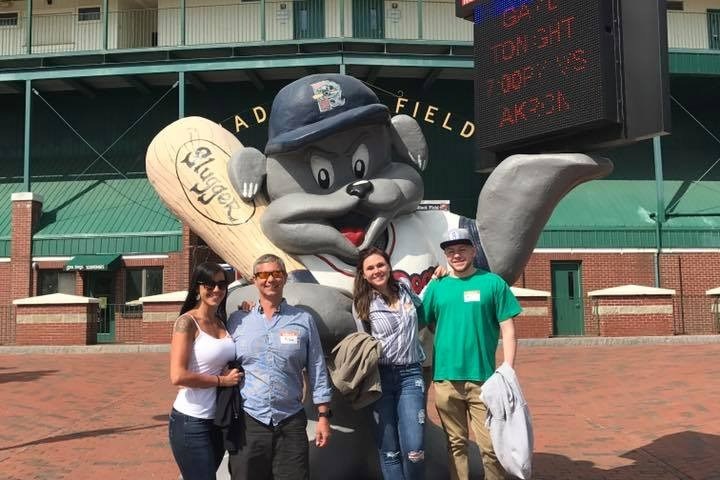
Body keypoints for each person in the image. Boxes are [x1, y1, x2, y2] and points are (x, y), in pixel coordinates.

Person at [422, 228, 522, 480]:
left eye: (462, 249)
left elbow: (508, 329)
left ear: (473, 251)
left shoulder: (493, 283)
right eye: (451, 251)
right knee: (456, 445)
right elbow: (426, 322)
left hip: (484, 380)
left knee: (490, 447)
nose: (457, 255)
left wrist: (508, 368)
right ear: (445, 255)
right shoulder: (438, 286)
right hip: (446, 379)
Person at [227, 253, 333, 480]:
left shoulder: (303, 320)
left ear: (284, 278)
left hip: (290, 422)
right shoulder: (238, 320)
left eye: (276, 273)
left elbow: (317, 368)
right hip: (249, 421)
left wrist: (323, 416)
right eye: (263, 274)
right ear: (254, 280)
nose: (270, 279)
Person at [352, 247, 427, 480]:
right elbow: (362, 343)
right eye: (370, 268)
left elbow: (423, 307)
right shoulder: (362, 304)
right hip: (379, 378)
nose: (377, 271)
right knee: (390, 450)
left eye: (380, 265)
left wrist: (436, 280)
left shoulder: (404, 288)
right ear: (363, 274)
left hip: (411, 375)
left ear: (389, 266)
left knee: (415, 448)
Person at [168, 261, 242, 480]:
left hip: (218, 420)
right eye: (209, 284)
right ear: (197, 288)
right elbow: (177, 376)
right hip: (191, 421)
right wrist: (222, 381)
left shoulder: (222, 322)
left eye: (221, 284)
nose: (216, 290)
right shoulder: (187, 322)